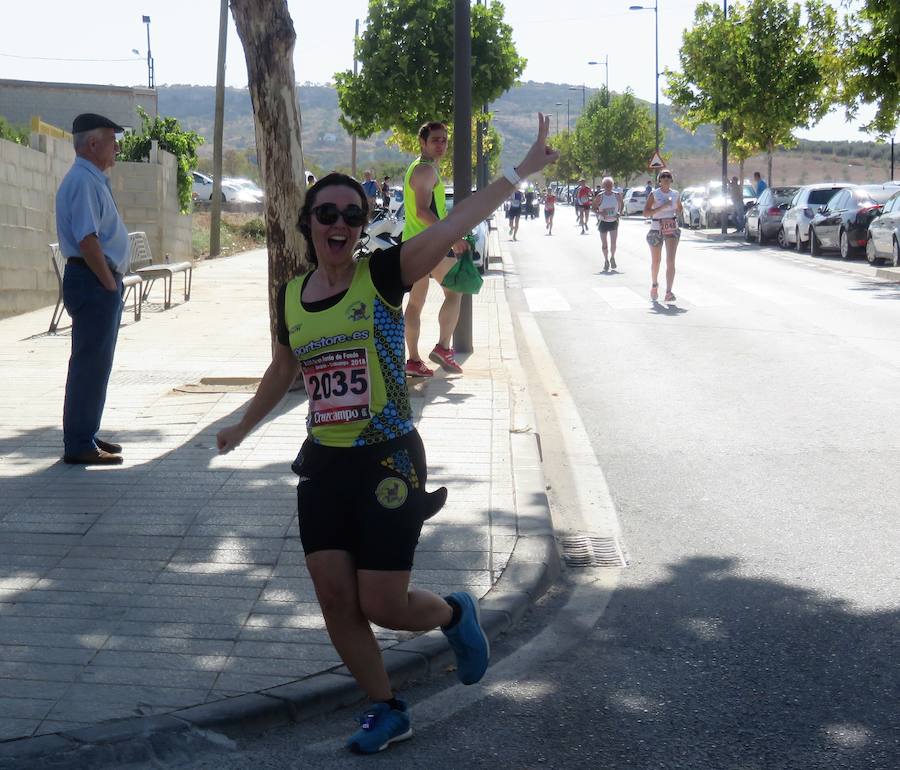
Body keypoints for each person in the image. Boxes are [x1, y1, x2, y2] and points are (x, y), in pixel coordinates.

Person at [214, 115, 558, 755]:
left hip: (388, 461)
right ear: (308, 225)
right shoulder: (291, 294)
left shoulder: (381, 275)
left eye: (350, 213)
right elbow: (283, 368)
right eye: (325, 214)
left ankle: (455, 614)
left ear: (363, 222)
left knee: (383, 605)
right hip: (323, 465)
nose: (338, 223)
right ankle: (385, 707)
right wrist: (242, 424)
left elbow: (456, 222)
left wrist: (521, 171)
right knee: (334, 599)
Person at [56, 113, 130, 466]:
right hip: (92, 279)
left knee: (97, 363)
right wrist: (106, 283)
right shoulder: (84, 181)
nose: (117, 147)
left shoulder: (92, 178)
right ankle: (79, 442)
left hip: (96, 279)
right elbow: (87, 239)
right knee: (90, 363)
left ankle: (85, 431)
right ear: (93, 144)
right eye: (112, 140)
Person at [402, 121, 466, 377]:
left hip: (413, 244)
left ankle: (414, 360)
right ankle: (442, 347)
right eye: (435, 140)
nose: (441, 144)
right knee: (455, 290)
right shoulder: (426, 171)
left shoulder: (417, 168)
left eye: (444, 140)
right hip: (429, 245)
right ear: (423, 142)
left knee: (415, 304)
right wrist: (450, 236)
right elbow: (421, 210)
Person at [643, 169, 683, 303]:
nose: (666, 178)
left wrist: (678, 210)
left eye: (668, 176)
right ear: (659, 180)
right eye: (663, 176)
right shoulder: (654, 194)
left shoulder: (676, 194)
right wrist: (661, 208)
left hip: (671, 229)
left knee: (670, 260)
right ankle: (654, 284)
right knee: (656, 261)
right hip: (656, 229)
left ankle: (668, 291)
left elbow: (679, 208)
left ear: (671, 180)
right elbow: (645, 213)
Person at [593, 176, 623, 271]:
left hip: (614, 221)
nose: (608, 187)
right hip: (603, 222)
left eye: (610, 185)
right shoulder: (600, 196)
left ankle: (612, 257)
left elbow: (622, 205)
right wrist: (600, 212)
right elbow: (593, 208)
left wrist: (619, 213)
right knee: (604, 243)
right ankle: (606, 260)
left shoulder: (617, 195)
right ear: (603, 186)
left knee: (613, 243)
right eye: (606, 185)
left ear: (612, 185)